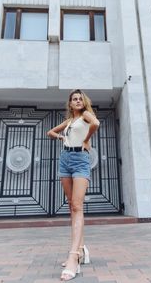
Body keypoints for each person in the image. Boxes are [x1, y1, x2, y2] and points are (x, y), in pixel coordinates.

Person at [47, 89, 100, 281]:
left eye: (80, 99)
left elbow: (96, 123)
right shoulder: (69, 121)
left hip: (80, 159)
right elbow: (50, 132)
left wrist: (86, 139)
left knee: (78, 205)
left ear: (84, 102)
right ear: (70, 104)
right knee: (71, 205)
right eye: (74, 99)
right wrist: (61, 137)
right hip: (65, 158)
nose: (77, 101)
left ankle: (73, 257)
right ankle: (81, 249)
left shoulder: (86, 115)